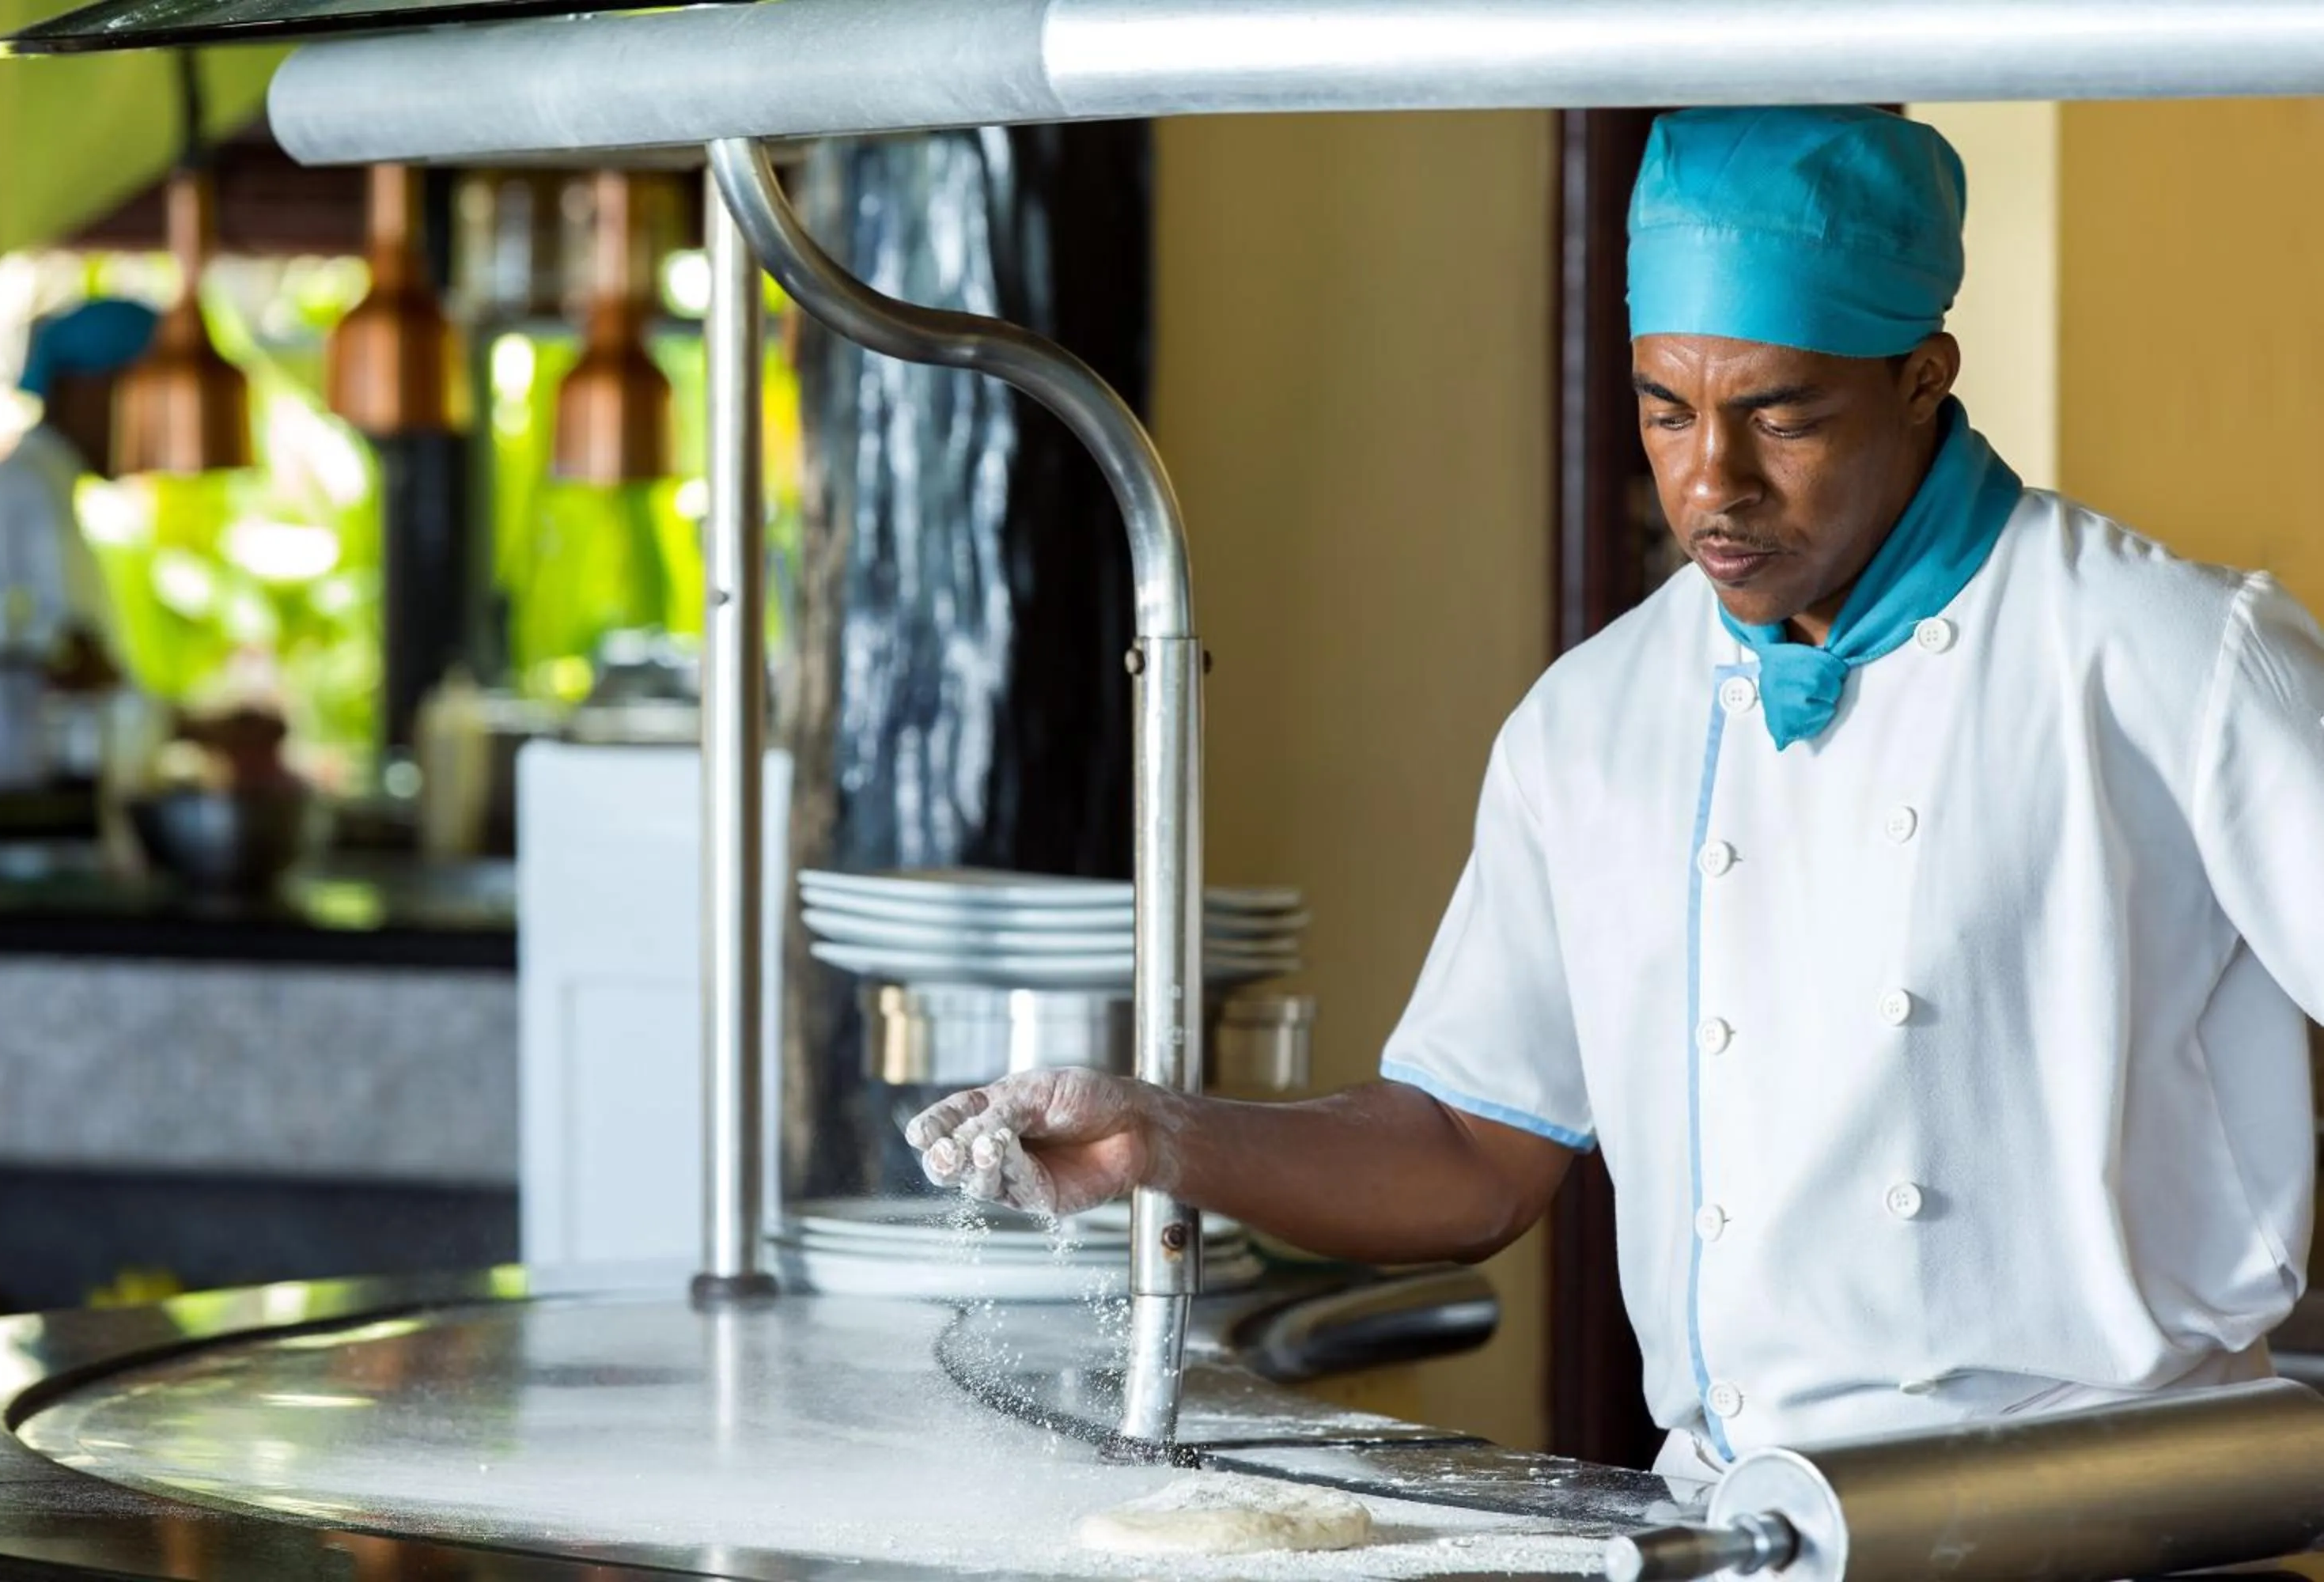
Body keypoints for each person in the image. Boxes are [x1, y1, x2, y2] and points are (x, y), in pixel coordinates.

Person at [903, 106, 2324, 1482]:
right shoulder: (1593, 722)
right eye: (1667, 411)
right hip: (1747, 1518)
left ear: (1922, 376)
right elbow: (1471, 1152)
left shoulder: (2177, 658)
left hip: (2121, 1514)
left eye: (1784, 415)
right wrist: (1164, 1135)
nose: (1715, 482)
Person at [0, 298, 155, 793]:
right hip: (10, 814)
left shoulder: (42, 487)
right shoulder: (25, 493)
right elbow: (80, 660)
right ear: (85, 387)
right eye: (145, 398)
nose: (155, 428)